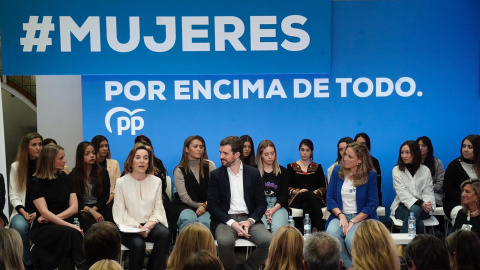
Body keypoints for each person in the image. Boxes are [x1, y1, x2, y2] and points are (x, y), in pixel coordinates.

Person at [208, 136, 272, 270]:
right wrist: (232, 223)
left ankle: (247, 268)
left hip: (249, 219)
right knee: (225, 242)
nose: (221, 156)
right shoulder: (216, 175)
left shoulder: (253, 173)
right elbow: (213, 206)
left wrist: (250, 221)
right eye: (220, 152)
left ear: (237, 155)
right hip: (225, 220)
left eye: (225, 153)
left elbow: (261, 204)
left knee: (268, 241)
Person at [29, 144, 88, 270]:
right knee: (72, 233)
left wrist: (55, 219)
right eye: (61, 158)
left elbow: (74, 207)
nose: (65, 161)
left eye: (64, 157)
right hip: (44, 227)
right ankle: (83, 267)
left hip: (57, 221)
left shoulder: (66, 178)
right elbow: (44, 212)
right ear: (49, 160)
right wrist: (71, 226)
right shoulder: (35, 182)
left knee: (70, 234)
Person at [113, 144, 170, 270]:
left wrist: (148, 226)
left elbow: (158, 208)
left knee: (164, 234)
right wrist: (138, 227)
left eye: (145, 158)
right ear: (131, 161)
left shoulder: (156, 181)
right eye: (138, 157)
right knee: (138, 245)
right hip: (128, 227)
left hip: (150, 225)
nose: (142, 161)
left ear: (149, 161)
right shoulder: (121, 182)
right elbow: (120, 212)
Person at [325, 142, 378, 270]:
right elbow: (330, 198)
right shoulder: (337, 171)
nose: (345, 158)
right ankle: (351, 267)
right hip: (339, 215)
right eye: (345, 155)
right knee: (331, 236)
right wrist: (342, 216)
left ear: (359, 160)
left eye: (349, 156)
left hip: (361, 217)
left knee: (351, 239)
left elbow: (372, 204)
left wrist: (353, 221)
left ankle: (361, 266)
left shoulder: (370, 175)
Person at [9, 132, 43, 269]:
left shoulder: (45, 166)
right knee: (19, 226)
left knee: (39, 227)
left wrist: (37, 213)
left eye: (40, 144)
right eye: (34, 145)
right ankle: (28, 263)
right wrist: (24, 213)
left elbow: (48, 195)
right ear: (26, 148)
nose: (38, 148)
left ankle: (41, 262)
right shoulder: (16, 166)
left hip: (42, 211)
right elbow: (13, 195)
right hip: (22, 211)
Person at [390, 140, 435, 234]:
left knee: (415, 211)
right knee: (418, 223)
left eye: (407, 152)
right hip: (402, 207)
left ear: (415, 153)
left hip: (423, 208)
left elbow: (428, 191)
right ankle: (419, 248)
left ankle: (402, 246)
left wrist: (426, 204)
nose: (404, 155)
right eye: (402, 152)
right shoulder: (396, 170)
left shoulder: (425, 170)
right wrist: (420, 203)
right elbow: (402, 194)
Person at [173, 136, 215, 232]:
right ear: (186, 149)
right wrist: (201, 206)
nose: (199, 149)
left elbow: (215, 191)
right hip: (184, 206)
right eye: (195, 146)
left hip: (207, 205)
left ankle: (204, 247)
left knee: (206, 222)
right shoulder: (179, 170)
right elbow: (184, 198)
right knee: (189, 220)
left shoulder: (209, 165)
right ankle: (184, 247)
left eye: (201, 147)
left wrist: (205, 206)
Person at [287, 139, 328, 231]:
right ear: (299, 151)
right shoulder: (291, 167)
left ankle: (304, 232)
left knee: (307, 203)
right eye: (302, 150)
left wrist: (315, 192)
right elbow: (286, 187)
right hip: (297, 198)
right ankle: (321, 228)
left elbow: (324, 187)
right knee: (306, 194)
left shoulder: (318, 167)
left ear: (312, 151)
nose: (304, 153)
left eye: (307, 150)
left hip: (315, 198)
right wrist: (297, 191)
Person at [69, 142, 111, 232]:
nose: (92, 156)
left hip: (100, 207)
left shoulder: (103, 172)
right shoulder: (73, 175)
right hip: (82, 209)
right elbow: (74, 199)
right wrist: (90, 210)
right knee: (84, 217)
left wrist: (94, 210)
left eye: (93, 153)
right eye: (87, 154)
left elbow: (105, 196)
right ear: (80, 156)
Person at [443, 135, 480, 222]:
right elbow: (448, 190)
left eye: (470, 147)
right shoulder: (454, 166)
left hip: (478, 202)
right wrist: (468, 198)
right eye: (464, 146)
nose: (465, 149)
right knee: (461, 214)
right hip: (456, 202)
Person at [256, 140, 289, 234]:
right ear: (260, 155)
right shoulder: (254, 172)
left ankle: (276, 249)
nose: (270, 157)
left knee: (277, 227)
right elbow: (254, 196)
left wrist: (272, 210)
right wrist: (264, 210)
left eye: (272, 153)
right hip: (260, 206)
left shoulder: (283, 171)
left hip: (279, 206)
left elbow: (284, 196)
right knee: (262, 228)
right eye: (266, 154)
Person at [91, 135, 121, 205]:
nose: (105, 149)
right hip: (93, 200)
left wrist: (111, 197)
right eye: (101, 146)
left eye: (106, 146)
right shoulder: (90, 163)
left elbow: (118, 184)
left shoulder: (114, 163)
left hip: (111, 199)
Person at [354, 133, 382, 206]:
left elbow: (377, 185)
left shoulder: (374, 162)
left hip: (371, 198)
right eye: (357, 143)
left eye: (363, 144)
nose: (360, 146)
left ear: (367, 146)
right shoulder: (350, 162)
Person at [416, 136, 445, 206]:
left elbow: (440, 182)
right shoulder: (411, 163)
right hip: (415, 194)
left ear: (429, 148)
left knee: (429, 201)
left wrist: (426, 190)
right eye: (418, 145)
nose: (420, 148)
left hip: (434, 194)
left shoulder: (437, 163)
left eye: (423, 146)